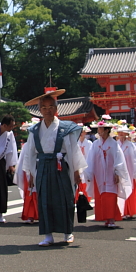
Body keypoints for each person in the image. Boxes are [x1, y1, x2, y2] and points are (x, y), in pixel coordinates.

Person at [23, 90, 87, 246]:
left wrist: (77, 171)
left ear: (56, 108)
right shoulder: (34, 130)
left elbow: (73, 150)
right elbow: (30, 153)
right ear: (39, 110)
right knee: (44, 199)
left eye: (51, 106)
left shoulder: (65, 128)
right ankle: (48, 234)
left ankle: (68, 232)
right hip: (43, 167)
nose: (47, 110)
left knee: (65, 198)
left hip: (61, 167)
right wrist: (30, 173)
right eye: (44, 107)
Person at [85, 117, 130, 228]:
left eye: (101, 129)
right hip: (99, 174)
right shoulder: (95, 144)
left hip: (110, 174)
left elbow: (119, 159)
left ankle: (111, 218)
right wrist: (89, 173)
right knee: (101, 196)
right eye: (98, 129)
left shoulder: (114, 144)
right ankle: (104, 217)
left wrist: (117, 172)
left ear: (106, 130)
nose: (99, 131)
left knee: (110, 195)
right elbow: (90, 159)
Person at [116, 123, 136, 219]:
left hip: (130, 171)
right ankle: (121, 211)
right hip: (120, 172)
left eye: (122, 132)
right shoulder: (116, 145)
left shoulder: (131, 146)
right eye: (119, 132)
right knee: (120, 190)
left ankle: (129, 211)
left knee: (130, 189)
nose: (120, 134)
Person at [14, 120, 40, 224]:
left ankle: (38, 214)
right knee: (30, 193)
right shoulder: (26, 145)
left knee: (39, 193)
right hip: (28, 171)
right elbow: (23, 161)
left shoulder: (40, 143)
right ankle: (30, 215)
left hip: (38, 169)